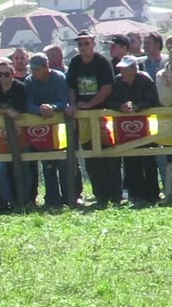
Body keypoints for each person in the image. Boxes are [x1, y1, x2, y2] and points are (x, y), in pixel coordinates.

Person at [67, 29, 116, 205]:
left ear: (93, 44)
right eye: (80, 44)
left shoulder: (102, 62)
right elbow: (71, 87)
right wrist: (73, 105)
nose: (83, 47)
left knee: (108, 153)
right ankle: (100, 194)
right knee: (90, 155)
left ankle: (114, 194)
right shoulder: (74, 63)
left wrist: (89, 104)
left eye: (86, 43)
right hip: (83, 117)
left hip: (102, 114)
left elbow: (107, 88)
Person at [110, 55, 160, 204]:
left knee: (149, 160)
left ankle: (152, 194)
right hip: (125, 129)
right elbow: (110, 101)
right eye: (121, 69)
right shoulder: (117, 81)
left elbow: (153, 100)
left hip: (146, 127)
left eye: (125, 69)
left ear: (133, 69)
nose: (122, 72)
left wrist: (137, 107)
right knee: (130, 161)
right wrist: (121, 107)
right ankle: (135, 195)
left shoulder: (145, 80)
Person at [25, 53, 73, 207]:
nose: (34, 72)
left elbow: (64, 100)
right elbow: (27, 104)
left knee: (65, 162)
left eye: (37, 69)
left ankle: (69, 196)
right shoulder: (29, 81)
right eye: (31, 69)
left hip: (60, 126)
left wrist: (53, 107)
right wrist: (39, 109)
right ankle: (51, 197)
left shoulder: (59, 78)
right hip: (40, 127)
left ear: (46, 67)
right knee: (47, 163)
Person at [0, 60, 35, 211]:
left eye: (6, 74)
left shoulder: (20, 87)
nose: (2, 77)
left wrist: (8, 111)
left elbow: (20, 111)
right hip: (0, 136)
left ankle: (25, 201)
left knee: (24, 167)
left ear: (13, 74)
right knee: (0, 169)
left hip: (21, 135)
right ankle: (10, 202)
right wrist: (7, 111)